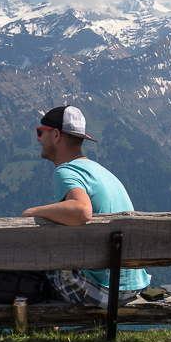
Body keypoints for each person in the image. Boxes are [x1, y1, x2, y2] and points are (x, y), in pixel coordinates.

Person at [20, 105, 150, 307]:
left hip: (103, 290)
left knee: (35, 264)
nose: (37, 138)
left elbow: (82, 211)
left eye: (40, 132)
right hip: (134, 286)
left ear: (56, 135)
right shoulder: (99, 171)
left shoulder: (66, 171)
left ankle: (43, 333)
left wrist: (32, 212)